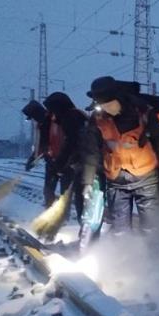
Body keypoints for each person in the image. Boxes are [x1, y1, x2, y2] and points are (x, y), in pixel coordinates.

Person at [81, 77, 159, 245]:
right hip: (116, 180)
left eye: (110, 104)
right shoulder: (98, 118)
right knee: (120, 230)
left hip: (146, 177)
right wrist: (87, 181)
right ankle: (124, 262)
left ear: (119, 98)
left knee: (150, 228)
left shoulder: (143, 112)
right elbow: (91, 151)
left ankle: (152, 265)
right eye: (103, 105)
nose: (107, 109)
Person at [41, 92, 88, 221]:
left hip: (80, 163)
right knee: (76, 196)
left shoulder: (71, 117)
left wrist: (61, 162)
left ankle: (84, 231)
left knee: (79, 197)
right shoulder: (73, 116)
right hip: (76, 161)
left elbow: (72, 142)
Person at [21, 99, 55, 206]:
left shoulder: (51, 121)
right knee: (49, 189)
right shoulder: (42, 123)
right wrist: (32, 159)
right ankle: (51, 210)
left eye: (33, 117)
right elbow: (41, 145)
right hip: (52, 160)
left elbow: (45, 144)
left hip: (61, 158)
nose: (33, 120)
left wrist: (36, 157)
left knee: (60, 189)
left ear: (36, 113)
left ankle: (58, 213)